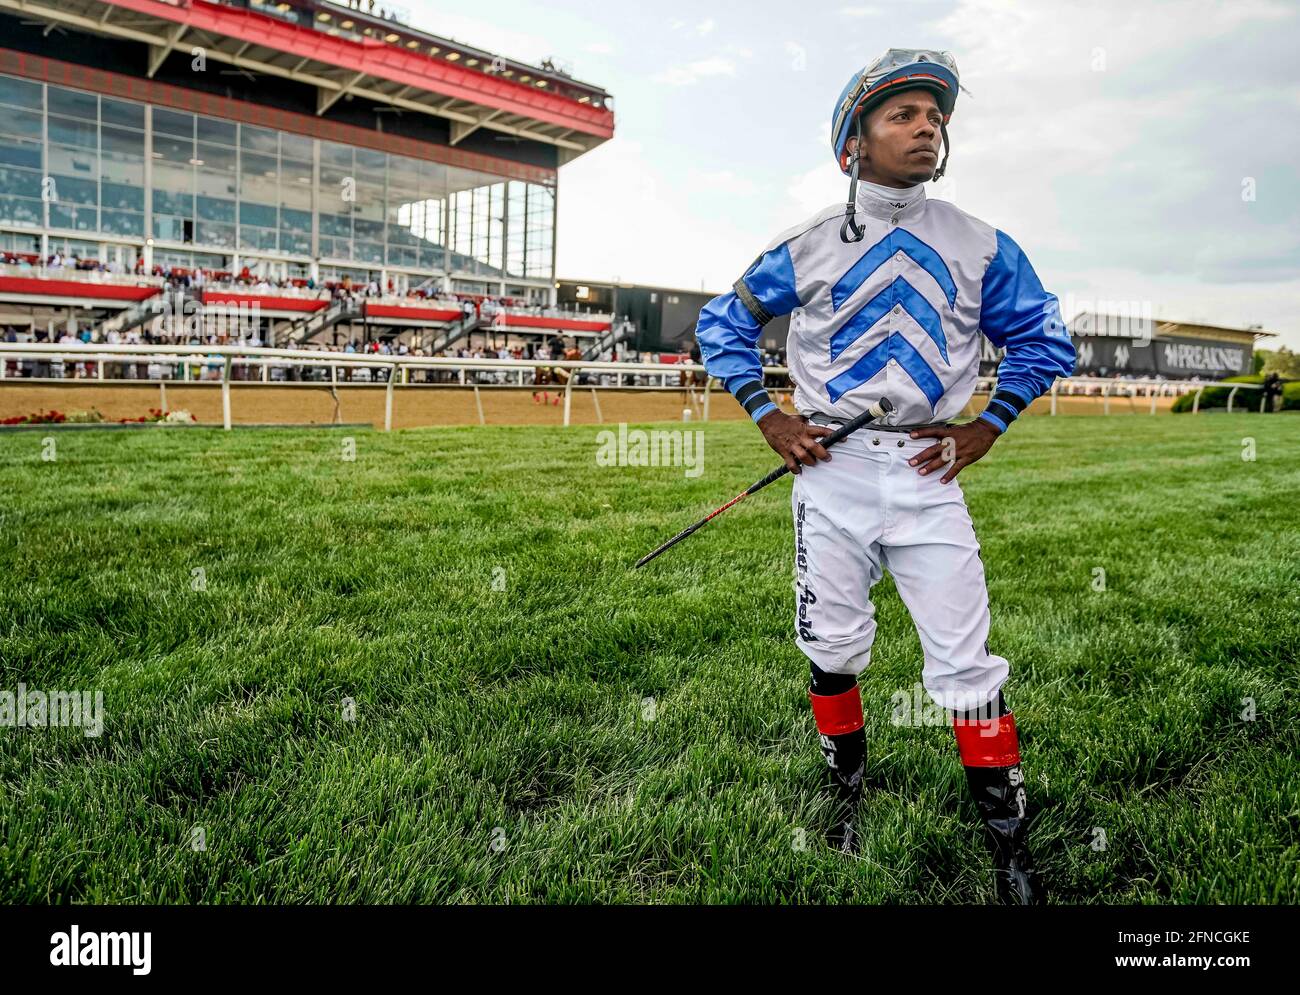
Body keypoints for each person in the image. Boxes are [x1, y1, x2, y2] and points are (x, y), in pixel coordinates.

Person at [694, 48, 1075, 904]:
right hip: (831, 472)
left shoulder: (982, 243)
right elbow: (720, 326)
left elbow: (1048, 341)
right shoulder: (806, 245)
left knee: (969, 665)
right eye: (902, 114)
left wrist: (989, 423)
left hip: (930, 471)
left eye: (935, 116)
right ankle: (845, 797)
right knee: (831, 649)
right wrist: (770, 416)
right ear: (853, 143)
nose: (927, 126)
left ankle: (1009, 848)